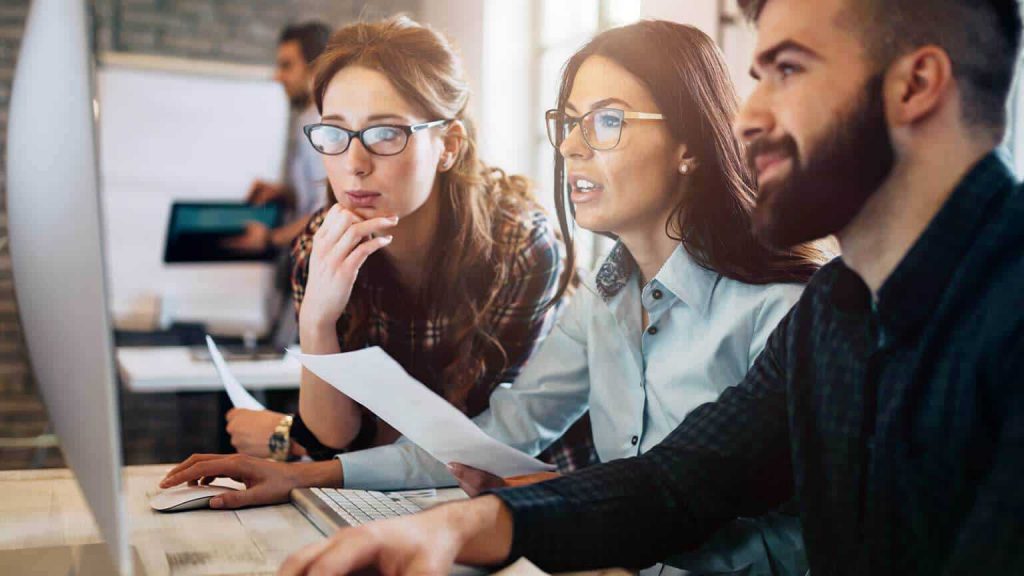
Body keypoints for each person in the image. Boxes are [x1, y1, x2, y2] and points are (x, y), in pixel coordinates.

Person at [270, 0, 1024, 574]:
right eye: (757, 76)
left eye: (788, 71)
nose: (749, 117)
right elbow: (677, 482)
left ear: (917, 84)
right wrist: (459, 526)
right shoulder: (838, 309)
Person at [164, 20, 827, 575]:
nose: (569, 146)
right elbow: (493, 438)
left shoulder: (786, 316)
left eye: (606, 120)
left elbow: (760, 527)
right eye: (568, 122)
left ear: (689, 144)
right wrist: (307, 474)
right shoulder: (605, 300)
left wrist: (521, 519)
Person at [189, 16, 595, 472]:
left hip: (534, 494)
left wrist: (290, 438)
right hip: (397, 490)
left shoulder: (519, 247)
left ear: (448, 146)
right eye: (334, 133)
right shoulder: (320, 243)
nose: (354, 164)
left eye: (386, 133)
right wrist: (317, 321)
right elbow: (335, 434)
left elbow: (460, 438)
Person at [226, 21, 332, 255]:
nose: (278, 76)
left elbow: (329, 210)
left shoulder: (323, 127)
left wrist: (271, 238)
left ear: (315, 69)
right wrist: (285, 194)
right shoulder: (306, 119)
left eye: (287, 66)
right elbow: (315, 197)